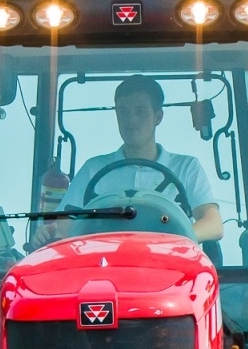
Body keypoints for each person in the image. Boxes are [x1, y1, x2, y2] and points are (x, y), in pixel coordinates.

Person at [41, 75, 223, 246]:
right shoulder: (93, 169)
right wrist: (48, 232)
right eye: (123, 112)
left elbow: (213, 224)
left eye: (140, 112)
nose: (131, 120)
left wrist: (168, 242)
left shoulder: (186, 167)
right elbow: (64, 224)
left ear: (158, 117)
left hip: (173, 269)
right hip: (107, 269)